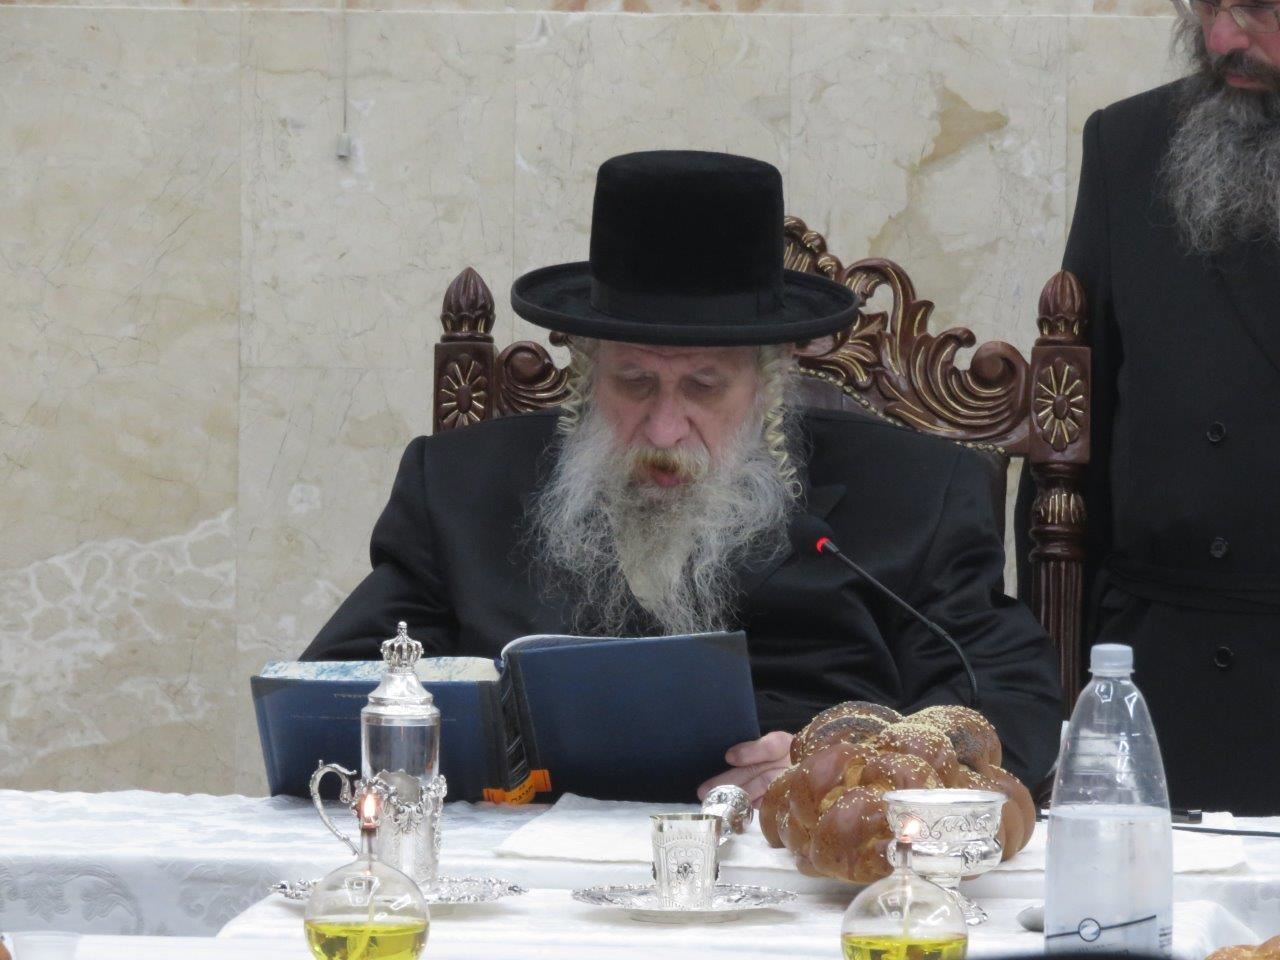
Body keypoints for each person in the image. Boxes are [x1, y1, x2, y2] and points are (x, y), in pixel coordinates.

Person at [304, 150, 1063, 801]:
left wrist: (854, 766)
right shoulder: (458, 486)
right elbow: (328, 700)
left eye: (703, 387)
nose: (665, 429)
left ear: (769, 381)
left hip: (793, 874)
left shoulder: (916, 493)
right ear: (586, 370)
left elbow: (1012, 708)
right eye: (634, 382)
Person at [1017, 2, 1280, 814]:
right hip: (1161, 683)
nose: (1221, 38)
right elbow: (1069, 430)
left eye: (1258, 7)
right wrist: (1048, 691)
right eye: (1206, 4)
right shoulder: (1129, 145)